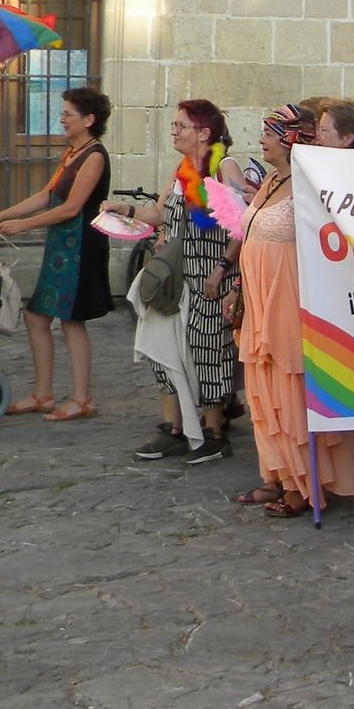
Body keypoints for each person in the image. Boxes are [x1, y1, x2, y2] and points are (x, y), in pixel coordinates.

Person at [227, 104, 354, 515]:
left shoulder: (309, 184)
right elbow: (249, 236)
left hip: (288, 294)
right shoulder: (269, 181)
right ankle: (276, 473)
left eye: (269, 132)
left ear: (289, 137)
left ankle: (304, 484)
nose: (261, 139)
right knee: (262, 388)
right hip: (259, 294)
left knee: (289, 385)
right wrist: (238, 286)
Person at [116, 100, 246, 465]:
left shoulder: (223, 167)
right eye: (173, 125)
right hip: (178, 276)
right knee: (166, 350)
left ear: (204, 132)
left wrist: (222, 268)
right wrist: (123, 210)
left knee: (208, 353)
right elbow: (158, 213)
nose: (174, 130)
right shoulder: (181, 170)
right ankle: (175, 428)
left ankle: (215, 433)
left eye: (181, 126)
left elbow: (242, 224)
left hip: (212, 275)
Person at [0, 87, 112, 421]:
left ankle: (82, 398)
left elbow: (71, 209)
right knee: (36, 316)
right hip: (61, 247)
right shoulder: (72, 152)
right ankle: (43, 393)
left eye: (68, 114)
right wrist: (1, 215)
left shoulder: (94, 156)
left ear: (89, 120)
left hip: (82, 247)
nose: (62, 118)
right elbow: (47, 195)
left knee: (73, 320)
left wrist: (23, 225)